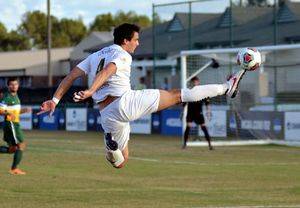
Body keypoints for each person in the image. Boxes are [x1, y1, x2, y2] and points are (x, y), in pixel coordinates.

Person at [38, 23, 246, 169]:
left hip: (107, 113)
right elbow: (109, 70)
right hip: (124, 102)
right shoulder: (121, 54)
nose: (138, 44)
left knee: (121, 162)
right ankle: (227, 87)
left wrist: (54, 100)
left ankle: (112, 150)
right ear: (126, 40)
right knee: (177, 95)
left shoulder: (94, 56)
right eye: (136, 40)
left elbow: (71, 75)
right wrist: (91, 90)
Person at [0, 77, 31, 175]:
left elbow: (15, 112)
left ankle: (14, 168)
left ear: (18, 85)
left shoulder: (16, 96)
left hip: (14, 123)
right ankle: (14, 169)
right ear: (8, 86)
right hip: (11, 123)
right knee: (21, 144)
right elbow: (1, 110)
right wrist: (9, 113)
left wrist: (23, 111)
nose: (14, 86)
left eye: (16, 84)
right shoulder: (6, 97)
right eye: (12, 84)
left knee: (12, 149)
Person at [182, 76, 213, 150]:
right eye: (194, 82)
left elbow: (207, 103)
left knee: (203, 127)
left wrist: (208, 111)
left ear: (198, 82)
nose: (195, 83)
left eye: (196, 81)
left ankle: (210, 145)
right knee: (188, 127)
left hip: (199, 113)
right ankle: (185, 144)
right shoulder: (188, 91)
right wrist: (182, 112)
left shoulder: (202, 92)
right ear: (192, 83)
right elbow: (184, 103)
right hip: (190, 112)